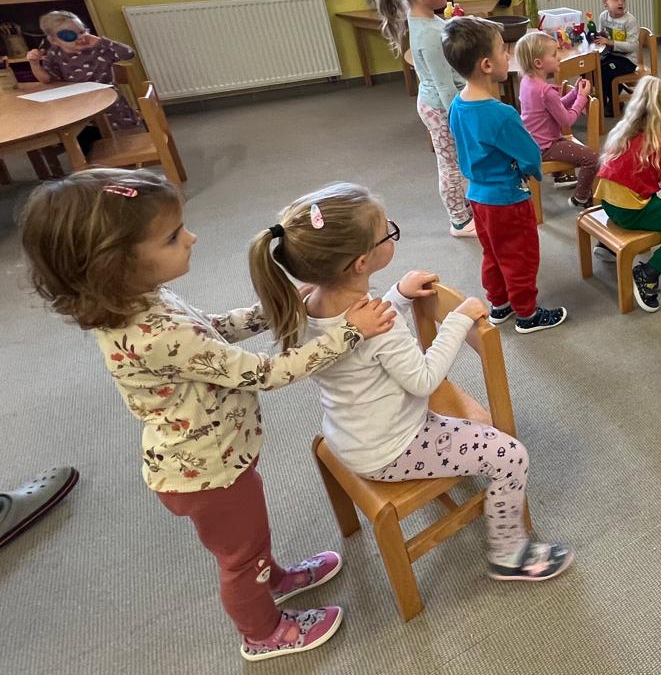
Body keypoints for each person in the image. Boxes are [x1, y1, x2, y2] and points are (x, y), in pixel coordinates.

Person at [18, 168, 397, 661]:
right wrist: (349, 332)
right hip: (206, 474)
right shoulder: (155, 334)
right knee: (241, 559)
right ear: (115, 264)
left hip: (218, 458)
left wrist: (275, 309)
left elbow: (211, 332)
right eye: (173, 236)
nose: (192, 238)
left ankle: (275, 579)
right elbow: (262, 373)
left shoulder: (140, 301)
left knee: (251, 541)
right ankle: (263, 634)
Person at [249, 182, 573, 582]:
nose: (392, 234)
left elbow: (364, 336)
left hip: (347, 436)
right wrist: (458, 320)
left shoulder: (303, 303)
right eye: (388, 231)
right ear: (361, 263)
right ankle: (510, 553)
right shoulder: (379, 328)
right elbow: (425, 380)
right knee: (511, 456)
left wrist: (398, 296)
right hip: (393, 447)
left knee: (474, 436)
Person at [443, 16, 568, 334]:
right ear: (486, 65)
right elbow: (530, 154)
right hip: (507, 199)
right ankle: (527, 314)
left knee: (493, 253)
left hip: (477, 197)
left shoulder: (457, 104)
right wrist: (531, 172)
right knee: (520, 256)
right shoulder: (502, 114)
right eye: (503, 50)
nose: (508, 55)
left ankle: (500, 304)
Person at [372, 0, 475, 237]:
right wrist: (460, 119)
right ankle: (459, 220)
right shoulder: (428, 33)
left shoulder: (428, 20)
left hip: (444, 102)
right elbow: (444, 86)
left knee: (456, 162)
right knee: (450, 166)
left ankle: (464, 207)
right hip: (442, 107)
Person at [595, 75, 661, 313]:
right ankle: (648, 273)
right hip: (630, 210)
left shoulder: (641, 122)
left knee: (650, 199)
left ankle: (607, 245)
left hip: (607, 201)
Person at [27, 10, 142, 153]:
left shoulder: (99, 49)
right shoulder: (55, 54)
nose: (81, 38)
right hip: (78, 106)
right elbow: (47, 79)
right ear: (54, 40)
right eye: (69, 36)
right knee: (75, 134)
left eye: (82, 32)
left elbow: (128, 54)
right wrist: (34, 64)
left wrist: (101, 41)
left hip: (109, 104)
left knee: (122, 139)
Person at [516, 32, 598, 210]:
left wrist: (574, 94)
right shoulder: (545, 91)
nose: (559, 57)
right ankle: (581, 198)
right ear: (538, 63)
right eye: (554, 54)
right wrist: (582, 98)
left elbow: (555, 107)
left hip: (532, 141)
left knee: (565, 143)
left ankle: (560, 176)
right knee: (592, 158)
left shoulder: (527, 82)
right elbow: (567, 120)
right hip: (545, 147)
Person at [594, 0, 639, 110]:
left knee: (606, 71)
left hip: (628, 60)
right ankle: (601, 101)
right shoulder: (603, 17)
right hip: (610, 56)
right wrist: (595, 39)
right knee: (595, 67)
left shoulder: (630, 20)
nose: (620, 2)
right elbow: (601, 37)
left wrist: (611, 42)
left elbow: (633, 46)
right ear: (605, 2)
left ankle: (614, 103)